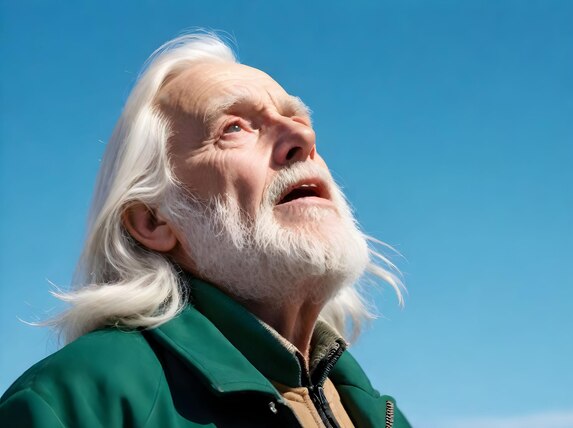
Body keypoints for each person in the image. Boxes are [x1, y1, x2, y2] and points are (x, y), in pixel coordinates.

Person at [0, 32, 409, 427]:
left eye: (295, 118)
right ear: (154, 221)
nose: (303, 136)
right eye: (233, 128)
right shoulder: (74, 403)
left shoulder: (376, 414)